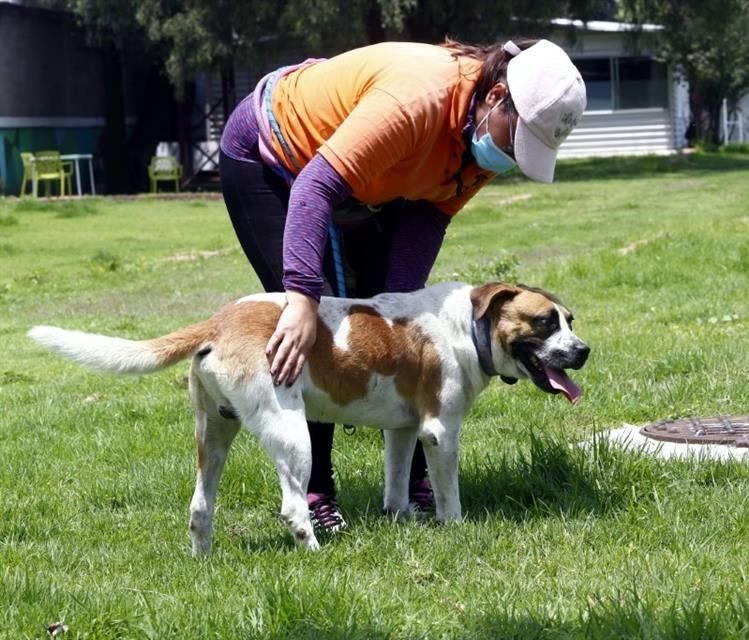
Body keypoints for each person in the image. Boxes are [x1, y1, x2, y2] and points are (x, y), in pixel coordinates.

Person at [217, 37, 587, 533]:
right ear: (496, 97)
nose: (511, 160)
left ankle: (410, 488)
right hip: (275, 156)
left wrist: (400, 314)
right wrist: (303, 300)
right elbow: (315, 186)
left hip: (366, 183)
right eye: (514, 143)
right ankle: (316, 493)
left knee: (386, 330)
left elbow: (427, 218)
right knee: (317, 325)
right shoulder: (417, 99)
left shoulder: (479, 140)